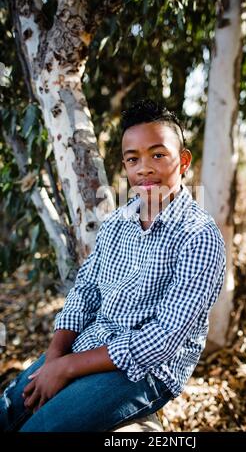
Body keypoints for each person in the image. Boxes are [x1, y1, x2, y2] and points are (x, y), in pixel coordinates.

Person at [0, 99, 226, 432]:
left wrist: (67, 368)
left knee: (43, 427)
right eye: (133, 159)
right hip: (92, 344)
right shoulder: (118, 222)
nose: (144, 168)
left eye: (158, 154)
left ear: (184, 162)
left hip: (147, 372)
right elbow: (86, 290)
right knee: (9, 407)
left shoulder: (199, 236)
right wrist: (54, 357)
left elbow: (161, 340)